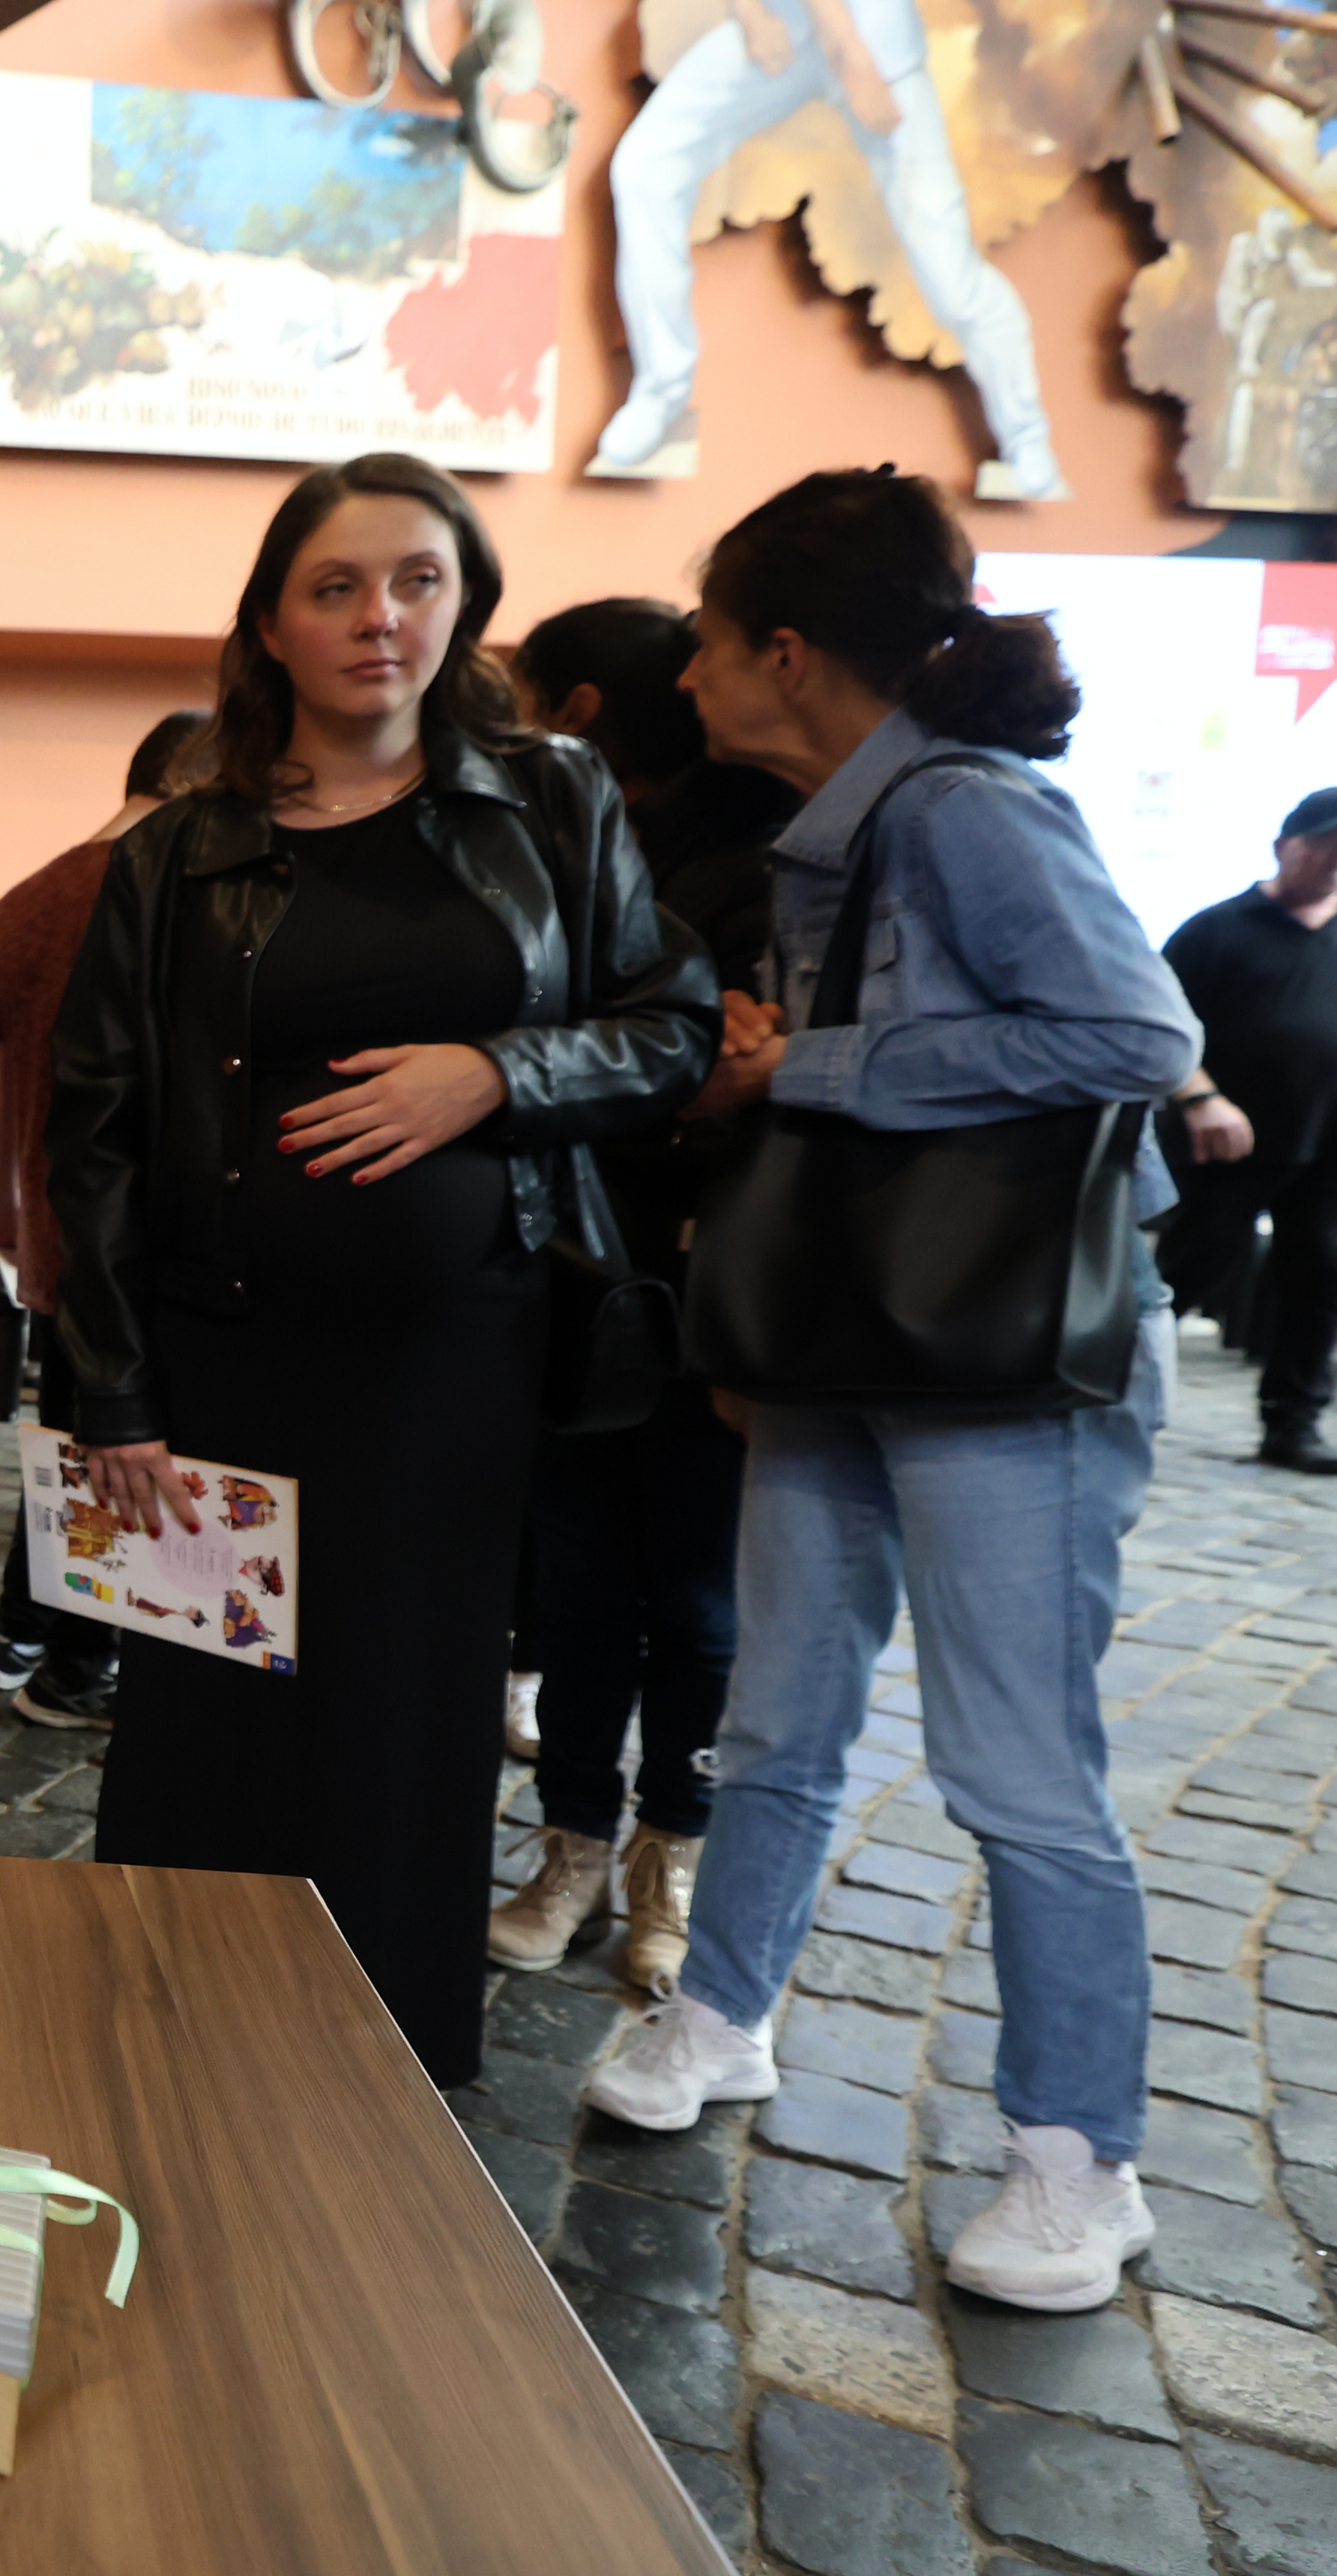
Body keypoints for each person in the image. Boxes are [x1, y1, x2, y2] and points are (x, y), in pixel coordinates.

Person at [585, 468, 1202, 2313]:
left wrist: (817, 1065)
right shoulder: (836, 833)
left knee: (1016, 1765)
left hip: (1001, 1357)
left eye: (708, 641)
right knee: (779, 1712)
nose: (687, 675)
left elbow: (1133, 1033)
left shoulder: (968, 808)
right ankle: (722, 2012)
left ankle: (1079, 2159)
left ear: (787, 651)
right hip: (851, 1331)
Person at [47, 453, 716, 2087]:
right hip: (218, 1349)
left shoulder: (548, 799)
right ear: (271, 622)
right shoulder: (177, 848)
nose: (379, 618)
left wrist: (495, 1073)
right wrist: (112, 1388)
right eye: (335, 586)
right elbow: (96, 1127)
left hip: (452, 1364)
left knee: (408, 1715)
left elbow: (669, 1023)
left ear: (465, 604)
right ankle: (171, 2040)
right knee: (209, 1706)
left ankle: (380, 2070)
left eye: (418, 580)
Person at [483, 599, 800, 1994]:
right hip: (572, 1274)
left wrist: (646, 1078)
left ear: (581, 713)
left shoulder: (772, 857)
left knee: (700, 1600)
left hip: (712, 1284)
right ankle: (570, 1847)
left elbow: (747, 1078)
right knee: (577, 1586)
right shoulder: (549, 853)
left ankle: (671, 1856)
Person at [0, 709, 208, 1729]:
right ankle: (88, 1659)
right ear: (196, 779)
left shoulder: (19, 904)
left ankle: (40, 1642)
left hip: (57, 1231)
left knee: (73, 1443)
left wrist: (7, 1214)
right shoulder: (184, 888)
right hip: (166, 1235)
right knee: (145, 1456)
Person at [593, 0, 1065, 501]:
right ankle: (661, 392)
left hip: (877, 48)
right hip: (789, 26)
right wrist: (753, 16)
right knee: (644, 167)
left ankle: (1027, 439)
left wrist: (854, 57)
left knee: (948, 271)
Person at [1156, 793, 1337, 1469]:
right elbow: (1159, 1029)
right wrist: (1201, 1098)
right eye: (1323, 845)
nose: (1333, 861)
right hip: (1231, 1141)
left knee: (1319, 1279)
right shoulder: (1217, 930)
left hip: (1327, 1144)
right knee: (1193, 1267)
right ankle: (1102, 1395)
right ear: (1285, 846)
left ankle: (1293, 1425)